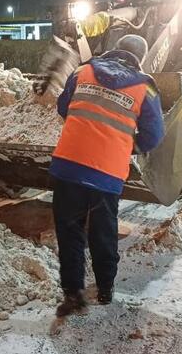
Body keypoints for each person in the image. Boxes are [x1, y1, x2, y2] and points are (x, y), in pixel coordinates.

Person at [49, 35, 165, 316]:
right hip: (107, 174)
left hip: (68, 166)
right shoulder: (144, 88)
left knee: (70, 231)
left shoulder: (83, 71)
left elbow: (63, 106)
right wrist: (129, 144)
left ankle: (73, 293)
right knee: (103, 230)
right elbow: (155, 135)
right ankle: (104, 289)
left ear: (115, 49)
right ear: (139, 58)